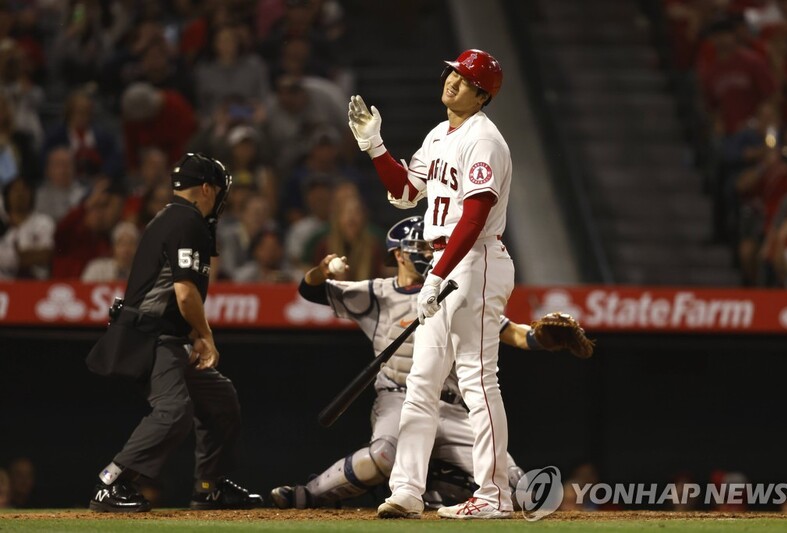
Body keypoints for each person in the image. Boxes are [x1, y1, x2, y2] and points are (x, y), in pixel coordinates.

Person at [270, 216, 542, 511]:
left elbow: (513, 332)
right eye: (418, 247)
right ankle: (310, 493)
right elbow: (309, 290)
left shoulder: (454, 291)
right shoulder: (378, 293)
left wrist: (541, 337)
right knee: (382, 456)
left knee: (515, 486)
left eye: (430, 247)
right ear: (398, 254)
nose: (427, 253)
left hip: (451, 407)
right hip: (399, 399)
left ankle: (440, 485)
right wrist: (321, 270)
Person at [348, 49, 514, 519]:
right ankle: (406, 490)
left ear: (483, 94)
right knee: (421, 382)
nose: (453, 82)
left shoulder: (484, 140)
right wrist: (375, 146)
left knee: (478, 380)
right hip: (445, 261)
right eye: (453, 74)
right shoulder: (440, 134)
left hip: (475, 259)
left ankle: (494, 493)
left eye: (465, 79)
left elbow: (476, 214)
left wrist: (439, 274)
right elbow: (404, 193)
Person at [86, 153, 262, 512]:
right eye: (221, 193)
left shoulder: (175, 217)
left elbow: (176, 293)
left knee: (220, 400)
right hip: (151, 337)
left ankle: (209, 488)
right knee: (174, 410)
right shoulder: (187, 221)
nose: (222, 201)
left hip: (166, 334)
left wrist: (193, 333)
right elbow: (184, 293)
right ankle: (113, 482)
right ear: (207, 189)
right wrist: (206, 335)